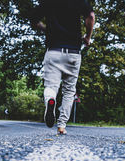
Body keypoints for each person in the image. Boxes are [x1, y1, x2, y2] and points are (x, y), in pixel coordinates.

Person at [31, 0, 95, 135]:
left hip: (53, 51)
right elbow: (90, 17)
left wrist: (47, 29)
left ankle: (51, 100)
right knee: (69, 91)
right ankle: (61, 126)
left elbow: (34, 21)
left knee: (51, 86)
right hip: (73, 52)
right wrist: (87, 37)